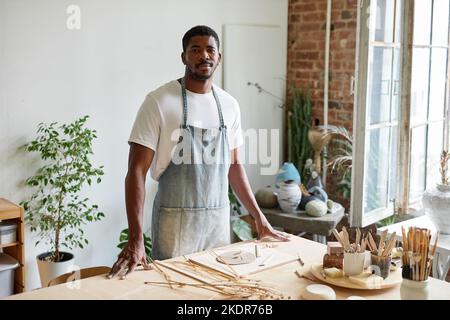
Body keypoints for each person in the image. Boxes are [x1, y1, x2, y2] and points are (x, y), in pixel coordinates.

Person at [107, 25, 289, 279]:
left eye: (210, 50)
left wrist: (259, 218)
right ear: (184, 57)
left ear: (219, 57)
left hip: (217, 225)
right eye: (196, 49)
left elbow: (234, 166)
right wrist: (136, 238)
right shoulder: (159, 101)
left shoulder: (229, 105)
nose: (204, 55)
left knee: (216, 290)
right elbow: (136, 172)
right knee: (173, 290)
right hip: (175, 226)